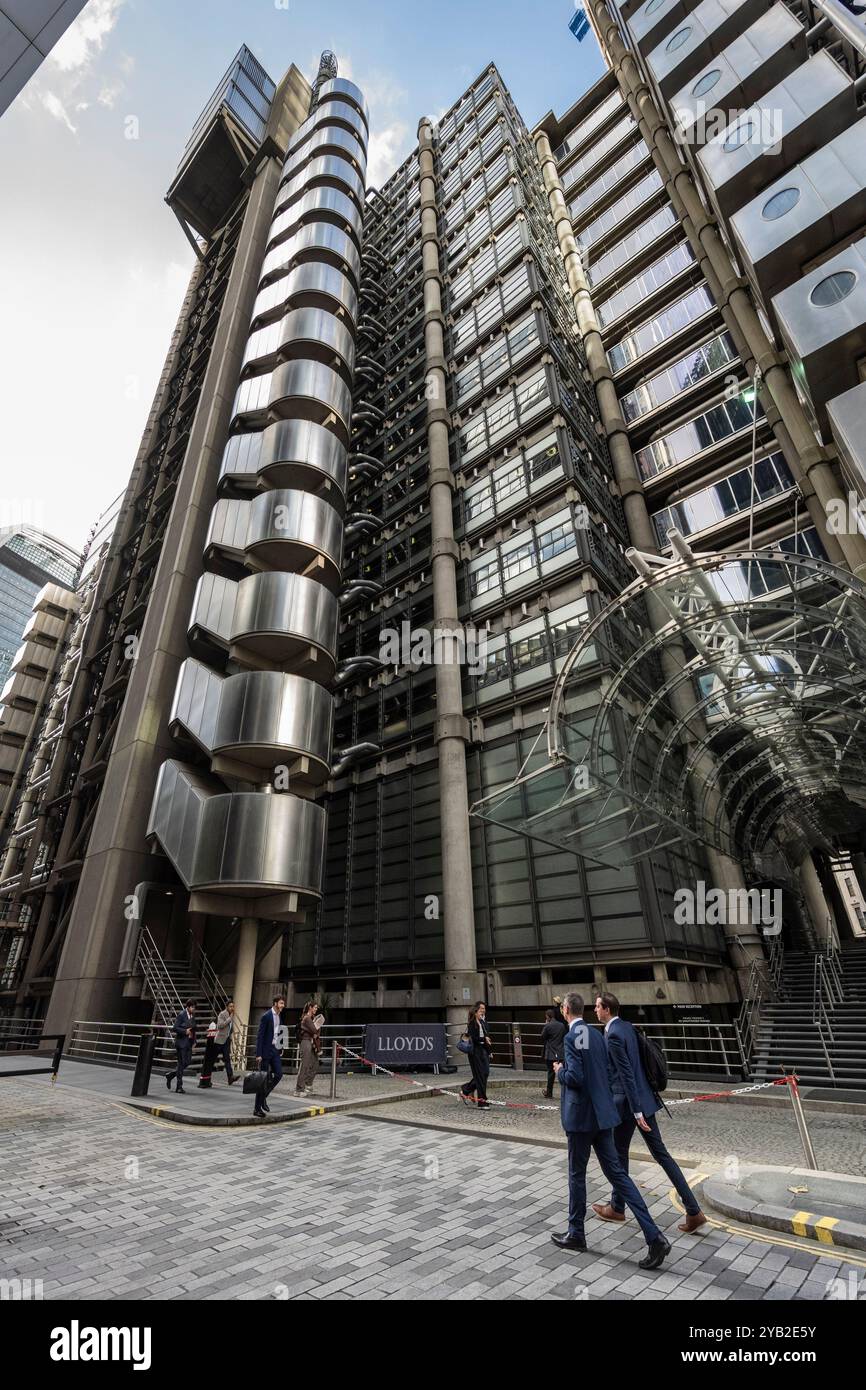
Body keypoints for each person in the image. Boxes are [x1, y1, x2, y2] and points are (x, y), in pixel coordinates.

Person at [551, 991, 670, 1270]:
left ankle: (576, 1233)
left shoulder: (573, 1037)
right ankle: (654, 1236)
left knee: (577, 1175)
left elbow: (576, 1077)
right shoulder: (595, 1034)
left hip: (581, 1119)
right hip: (604, 1117)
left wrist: (559, 1071)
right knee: (618, 1175)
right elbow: (603, 1072)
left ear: (566, 1010)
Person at [593, 992, 707, 1235]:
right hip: (644, 1100)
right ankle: (693, 1210)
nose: (595, 1011)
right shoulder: (627, 1027)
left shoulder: (612, 1034)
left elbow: (626, 1074)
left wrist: (636, 1111)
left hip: (628, 1106)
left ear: (606, 1009)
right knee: (659, 1154)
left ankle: (617, 1207)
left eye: (597, 1007)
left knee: (617, 1154)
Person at [253, 995, 286, 1118]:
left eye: (283, 1003)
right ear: (275, 1003)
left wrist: (281, 1046)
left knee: (279, 1074)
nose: (283, 1005)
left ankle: (264, 1096)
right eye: (281, 1003)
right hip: (265, 1052)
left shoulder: (279, 1016)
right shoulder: (266, 1016)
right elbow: (260, 1036)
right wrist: (258, 1054)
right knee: (263, 1079)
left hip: (275, 1050)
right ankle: (257, 1108)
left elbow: (280, 1032)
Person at [460, 1000, 492, 1109]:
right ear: (476, 1011)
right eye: (481, 1009)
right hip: (475, 1052)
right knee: (479, 1076)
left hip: (483, 1050)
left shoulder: (483, 1022)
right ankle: (482, 1101)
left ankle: (466, 1089)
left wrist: (489, 1052)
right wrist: (484, 1038)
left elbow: (488, 1033)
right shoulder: (472, 1024)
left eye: (484, 1009)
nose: (483, 1011)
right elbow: (474, 1038)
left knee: (485, 1073)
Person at [166, 1000, 196, 1094]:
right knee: (181, 1063)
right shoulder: (181, 1015)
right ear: (188, 1007)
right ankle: (179, 1087)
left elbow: (193, 1030)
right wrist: (184, 1031)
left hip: (189, 1043)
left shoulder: (192, 1016)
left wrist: (194, 1041)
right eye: (192, 1007)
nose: (193, 1009)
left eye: (194, 1007)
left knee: (187, 1062)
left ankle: (171, 1075)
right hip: (181, 1043)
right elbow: (175, 1027)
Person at [295, 1000, 322, 1097]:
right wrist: (318, 1024)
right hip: (305, 1042)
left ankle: (308, 1086)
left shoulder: (311, 1018)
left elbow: (315, 1032)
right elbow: (315, 1030)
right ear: (310, 1007)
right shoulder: (307, 1018)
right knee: (305, 1065)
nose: (316, 1009)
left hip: (311, 1042)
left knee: (315, 1063)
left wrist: (316, 1030)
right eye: (315, 1007)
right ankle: (298, 1090)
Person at [540, 1007, 567, 1099]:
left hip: (550, 1054)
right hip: (561, 1053)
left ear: (548, 1017)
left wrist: (545, 1025)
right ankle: (566, 1093)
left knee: (551, 1074)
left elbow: (542, 1037)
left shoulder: (548, 1026)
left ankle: (549, 1093)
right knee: (563, 1072)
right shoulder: (562, 1025)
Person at [214, 1000, 237, 1085]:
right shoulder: (222, 1014)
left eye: (233, 1006)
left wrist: (231, 1035)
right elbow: (220, 1026)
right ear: (226, 1007)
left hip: (227, 1040)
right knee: (213, 1058)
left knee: (227, 1059)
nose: (232, 1008)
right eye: (230, 1006)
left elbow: (230, 1027)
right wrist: (229, 1019)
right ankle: (206, 1075)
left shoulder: (231, 1015)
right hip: (219, 1040)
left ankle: (230, 1077)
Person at [197, 1021, 218, 1088]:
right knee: (208, 1067)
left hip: (208, 1054)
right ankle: (205, 1082)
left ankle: (205, 1082)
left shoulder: (209, 1036)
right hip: (210, 1054)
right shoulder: (213, 1037)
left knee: (206, 1067)